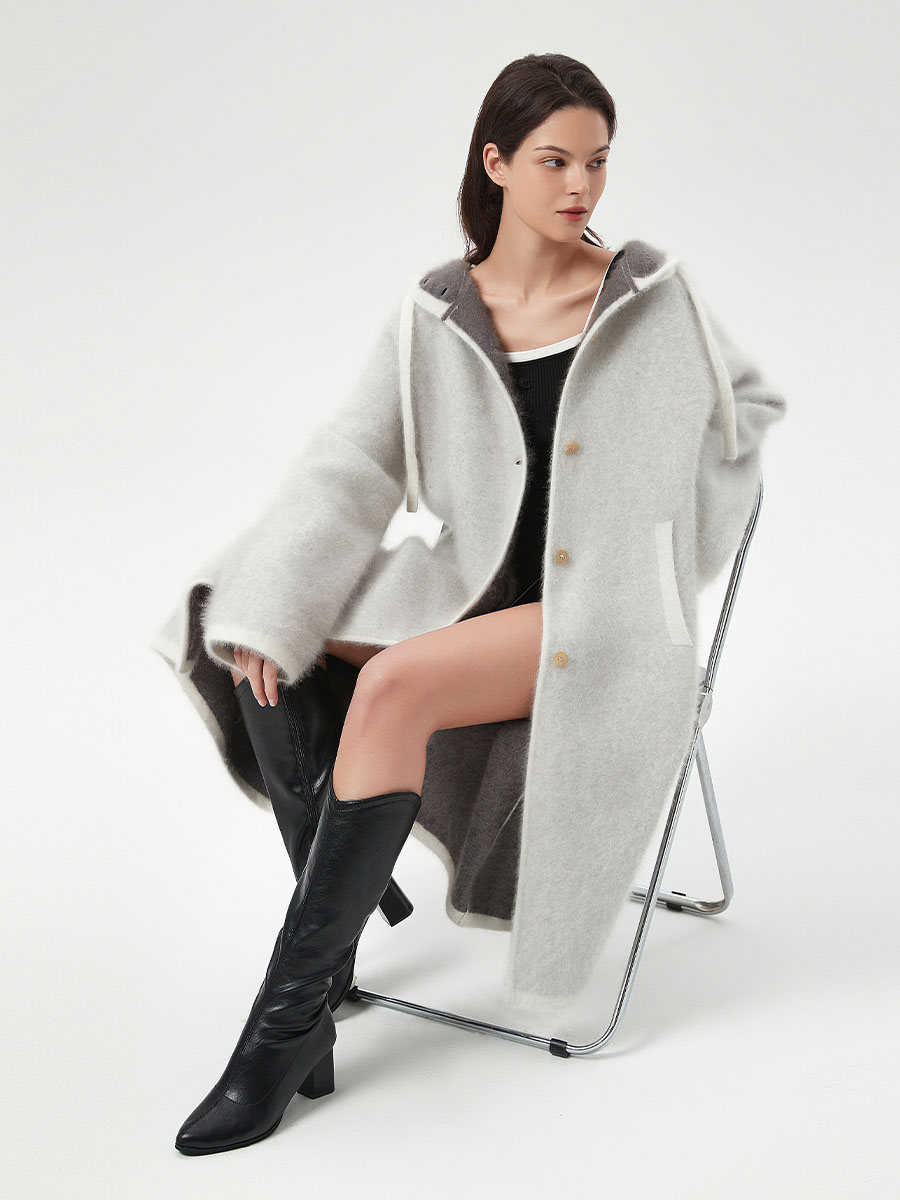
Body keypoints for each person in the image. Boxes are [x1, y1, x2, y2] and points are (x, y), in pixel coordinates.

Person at [153, 52, 786, 1155]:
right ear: (495, 163)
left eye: (598, 161)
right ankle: (330, 942)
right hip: (477, 595)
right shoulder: (438, 312)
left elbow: (749, 411)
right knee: (253, 618)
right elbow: (356, 461)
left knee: (392, 684)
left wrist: (663, 542)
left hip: (602, 613)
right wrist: (277, 597)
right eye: (554, 161)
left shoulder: (650, 297)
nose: (581, 184)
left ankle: (282, 1031)